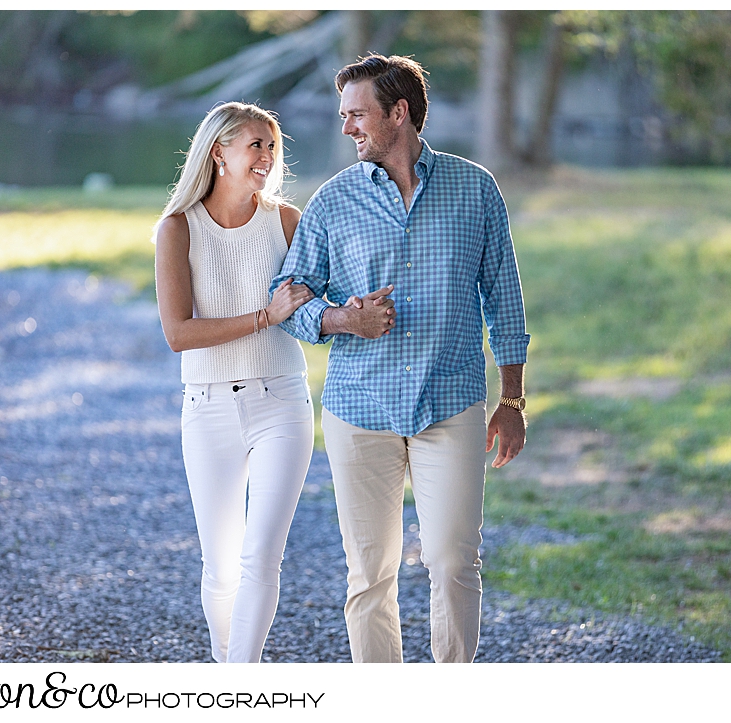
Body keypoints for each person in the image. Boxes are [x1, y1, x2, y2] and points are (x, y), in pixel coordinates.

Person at [271, 54, 530, 663]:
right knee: (370, 573)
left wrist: (513, 398)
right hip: (360, 410)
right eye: (343, 116)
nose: (346, 128)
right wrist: (341, 319)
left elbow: (506, 301)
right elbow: (289, 294)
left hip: (451, 404)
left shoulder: (476, 189)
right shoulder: (333, 202)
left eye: (357, 114)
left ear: (399, 113)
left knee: (453, 559)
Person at [154, 101, 315, 663]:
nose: (267, 157)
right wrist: (262, 317)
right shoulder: (177, 229)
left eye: (272, 145)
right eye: (256, 145)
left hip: (283, 402)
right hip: (207, 408)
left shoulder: (288, 221)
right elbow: (178, 332)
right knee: (221, 566)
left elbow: (315, 304)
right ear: (218, 152)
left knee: (261, 557)